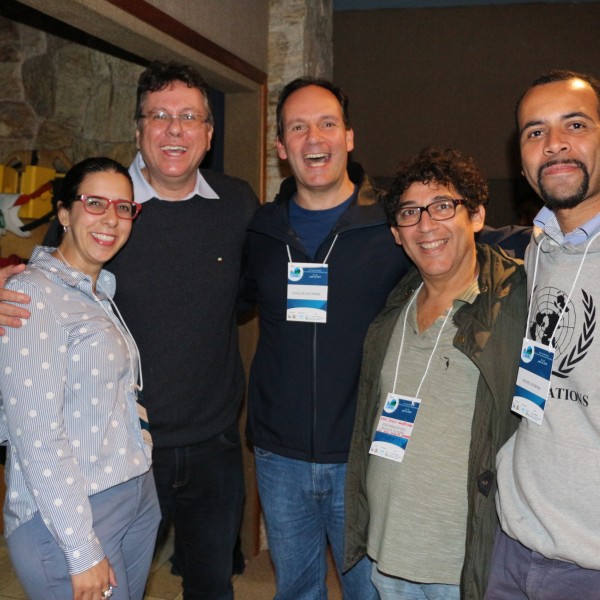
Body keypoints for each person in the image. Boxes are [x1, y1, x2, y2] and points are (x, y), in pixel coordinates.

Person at [240, 78, 527, 600]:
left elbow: (476, 239)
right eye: (297, 128)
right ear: (281, 147)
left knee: (371, 590)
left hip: (366, 452)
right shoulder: (260, 229)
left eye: (327, 124)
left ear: (349, 136)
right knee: (295, 590)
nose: (313, 139)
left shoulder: (394, 222)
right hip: (279, 458)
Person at [0, 61, 259, 600]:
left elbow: (248, 295)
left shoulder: (237, 204)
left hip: (213, 441)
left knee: (212, 583)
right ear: (138, 129)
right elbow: (45, 280)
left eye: (189, 117)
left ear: (208, 135)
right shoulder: (102, 206)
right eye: (159, 116)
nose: (174, 129)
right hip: (122, 450)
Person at [343, 147, 527, 600]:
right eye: (410, 213)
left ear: (477, 215)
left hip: (465, 566)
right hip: (388, 555)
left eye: (443, 206)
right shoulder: (391, 314)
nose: (426, 225)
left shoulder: (517, 303)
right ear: (396, 235)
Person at [0, 157, 161, 600]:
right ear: (64, 213)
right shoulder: (33, 293)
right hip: (73, 513)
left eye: (124, 207)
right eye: (95, 203)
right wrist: (81, 549)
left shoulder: (97, 290)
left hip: (132, 490)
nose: (111, 218)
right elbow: (37, 438)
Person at [486, 70, 600, 599]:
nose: (554, 144)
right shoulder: (537, 249)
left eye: (574, 124)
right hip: (512, 543)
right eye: (535, 132)